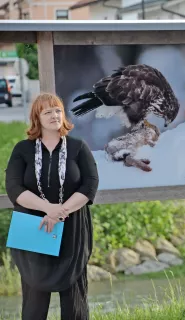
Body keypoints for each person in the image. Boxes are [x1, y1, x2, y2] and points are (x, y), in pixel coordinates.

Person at [5, 92, 99, 320]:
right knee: (34, 298)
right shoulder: (22, 149)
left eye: (57, 110)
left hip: (72, 225)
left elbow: (90, 184)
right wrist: (49, 210)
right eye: (47, 111)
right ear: (37, 117)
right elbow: (14, 188)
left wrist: (61, 211)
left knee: (73, 294)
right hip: (32, 226)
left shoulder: (78, 147)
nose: (54, 115)